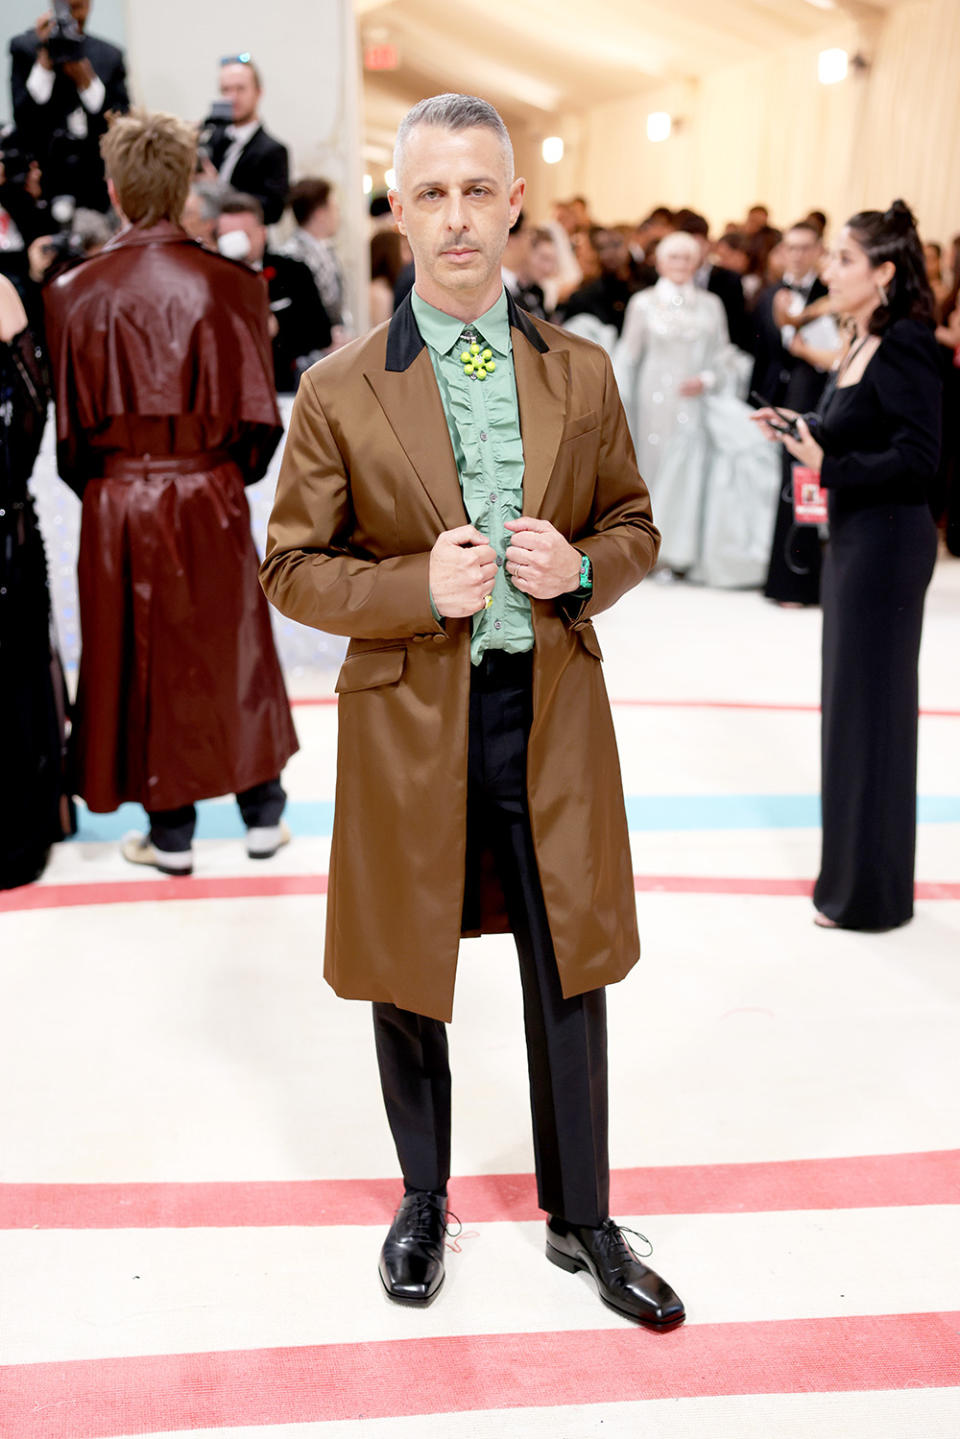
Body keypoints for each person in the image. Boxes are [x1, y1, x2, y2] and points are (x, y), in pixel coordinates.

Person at [260, 92, 684, 1330]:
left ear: (512, 205)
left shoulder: (582, 369)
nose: (457, 218)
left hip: (547, 709)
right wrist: (411, 586)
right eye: (431, 192)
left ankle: (585, 1214)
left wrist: (585, 569)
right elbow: (291, 565)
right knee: (410, 969)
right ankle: (425, 1196)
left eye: (477, 191)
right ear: (400, 213)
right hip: (410, 718)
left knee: (572, 967)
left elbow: (636, 524)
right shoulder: (340, 389)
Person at [44, 110, 298, 873]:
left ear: (114, 190)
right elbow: (261, 422)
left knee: (140, 653)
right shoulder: (235, 285)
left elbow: (70, 439)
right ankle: (262, 813)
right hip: (211, 487)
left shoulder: (72, 291)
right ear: (191, 182)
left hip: (119, 498)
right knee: (235, 642)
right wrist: (214, 472)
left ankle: (172, 831)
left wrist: (121, 481)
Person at [753, 200, 941, 931]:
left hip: (890, 546)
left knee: (872, 719)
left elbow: (919, 458)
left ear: (884, 273)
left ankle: (870, 895)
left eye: (843, 259)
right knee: (852, 715)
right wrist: (798, 427)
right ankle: (856, 882)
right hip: (858, 540)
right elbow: (855, 427)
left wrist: (831, 462)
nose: (828, 269)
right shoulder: (863, 336)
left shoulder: (908, 344)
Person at [0, 273, 74, 889]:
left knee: (19, 676)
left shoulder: (14, 293)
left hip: (11, 537)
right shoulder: (15, 294)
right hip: (13, 531)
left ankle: (26, 822)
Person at [613, 229, 728, 575]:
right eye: (673, 257)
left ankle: (681, 554)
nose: (680, 264)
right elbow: (627, 356)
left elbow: (723, 354)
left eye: (687, 257)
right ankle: (647, 551)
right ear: (660, 262)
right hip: (652, 401)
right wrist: (618, 402)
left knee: (689, 470)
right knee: (652, 469)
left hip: (692, 400)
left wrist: (707, 379)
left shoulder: (710, 304)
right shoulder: (643, 303)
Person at [751, 221, 831, 605]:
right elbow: (762, 352)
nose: (797, 255)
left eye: (805, 247)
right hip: (779, 399)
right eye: (791, 247)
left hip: (816, 400)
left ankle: (805, 580)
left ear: (818, 250)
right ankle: (785, 579)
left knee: (806, 483)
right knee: (784, 486)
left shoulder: (831, 294)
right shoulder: (769, 295)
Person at [9, 0, 129, 212]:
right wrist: (44, 59)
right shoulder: (25, 49)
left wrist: (88, 82)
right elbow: (22, 117)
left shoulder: (109, 56)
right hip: (42, 185)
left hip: (94, 186)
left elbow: (121, 122)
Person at [216, 192, 332, 393]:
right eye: (227, 237)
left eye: (244, 236)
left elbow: (321, 333)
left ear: (262, 233)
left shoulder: (292, 271)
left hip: (284, 387)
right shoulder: (210, 279)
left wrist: (277, 328)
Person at [205, 56, 288, 226]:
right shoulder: (211, 139)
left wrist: (219, 188)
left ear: (258, 93)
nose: (232, 98)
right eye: (226, 90)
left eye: (240, 89)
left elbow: (273, 211)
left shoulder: (273, 151)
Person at [280, 177, 349, 343]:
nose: (338, 215)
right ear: (320, 214)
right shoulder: (291, 256)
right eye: (334, 208)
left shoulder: (326, 250)